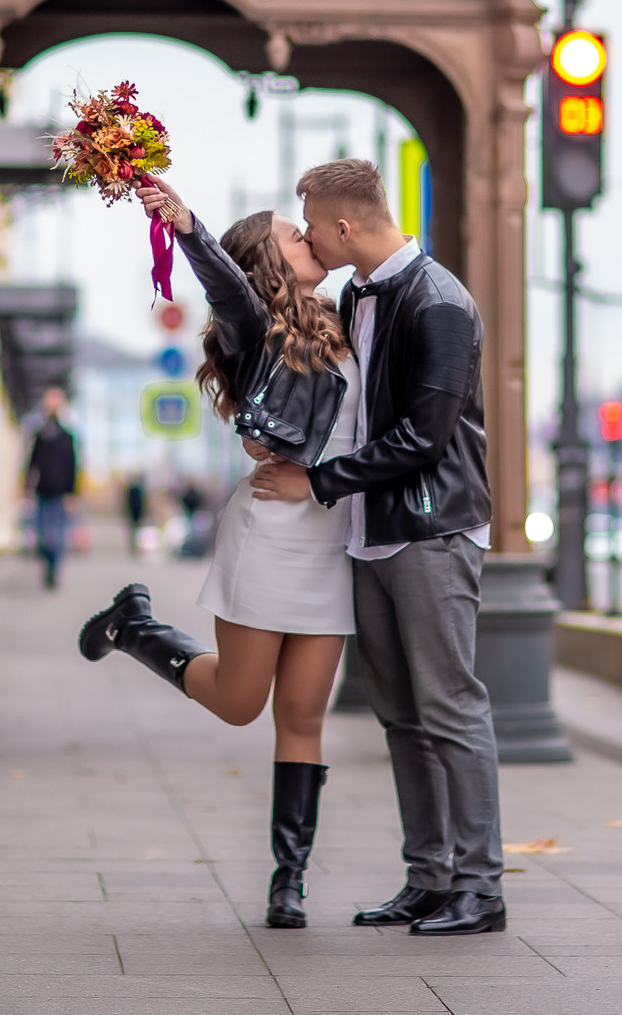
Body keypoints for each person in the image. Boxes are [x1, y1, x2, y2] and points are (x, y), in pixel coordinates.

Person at [76, 181, 355, 930]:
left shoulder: (351, 319)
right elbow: (225, 289)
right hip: (268, 536)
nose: (311, 239)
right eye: (294, 235)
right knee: (239, 704)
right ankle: (135, 628)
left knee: (303, 715)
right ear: (267, 263)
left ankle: (289, 882)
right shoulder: (254, 332)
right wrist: (190, 227)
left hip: (331, 543)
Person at [246, 159, 505, 937]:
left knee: (450, 706)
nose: (310, 240)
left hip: (431, 530)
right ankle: (429, 877)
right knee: (400, 714)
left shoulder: (440, 301)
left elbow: (424, 437)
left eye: (312, 226)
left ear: (345, 225)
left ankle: (480, 887)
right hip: (372, 533)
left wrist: (318, 482)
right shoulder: (359, 294)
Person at [24, 388, 78, 590]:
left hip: (61, 494)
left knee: (57, 535)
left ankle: (53, 570)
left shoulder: (67, 437)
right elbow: (32, 463)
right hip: (42, 492)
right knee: (41, 535)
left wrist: (72, 494)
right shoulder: (40, 435)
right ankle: (47, 564)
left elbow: (73, 466)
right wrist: (25, 487)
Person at [123, 474, 149, 554]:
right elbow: (143, 502)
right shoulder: (139, 489)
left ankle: (135, 546)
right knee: (136, 530)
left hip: (133, 512)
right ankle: (136, 546)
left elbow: (127, 502)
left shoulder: (131, 489)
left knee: (134, 530)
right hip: (137, 512)